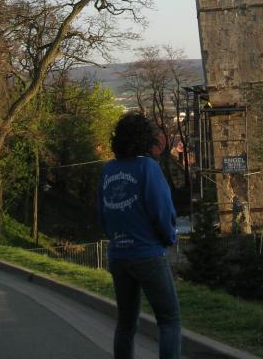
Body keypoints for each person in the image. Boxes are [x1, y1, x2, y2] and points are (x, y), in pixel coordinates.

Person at [98, 111, 181, 359]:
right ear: (145, 139)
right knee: (169, 320)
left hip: (119, 255)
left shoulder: (108, 170)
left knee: (125, 322)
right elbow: (162, 211)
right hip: (148, 254)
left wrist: (116, 237)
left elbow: (103, 214)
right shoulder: (148, 167)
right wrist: (169, 237)